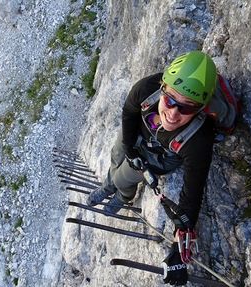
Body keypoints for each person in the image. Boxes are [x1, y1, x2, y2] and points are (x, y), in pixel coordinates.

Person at [87, 50, 217, 285]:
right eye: (170, 100)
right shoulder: (147, 88)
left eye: (187, 108)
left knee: (124, 175)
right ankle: (109, 186)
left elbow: (191, 196)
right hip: (137, 135)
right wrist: (129, 147)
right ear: (162, 87)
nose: (174, 114)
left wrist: (178, 251)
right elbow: (129, 112)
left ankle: (122, 194)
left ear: (199, 109)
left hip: (159, 157)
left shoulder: (198, 141)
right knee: (116, 154)